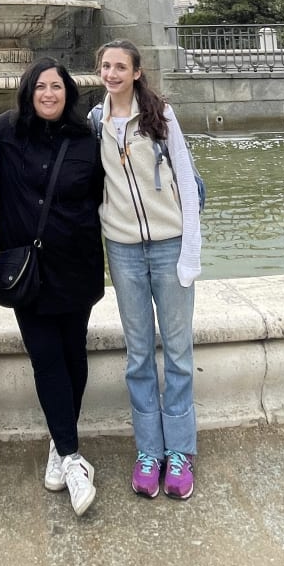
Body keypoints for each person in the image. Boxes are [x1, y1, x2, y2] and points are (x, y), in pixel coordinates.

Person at [0, 58, 105, 516]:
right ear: (28, 92)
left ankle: (60, 444)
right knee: (47, 358)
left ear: (68, 93)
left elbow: (106, 194)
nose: (49, 94)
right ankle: (73, 457)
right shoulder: (5, 132)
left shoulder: (86, 141)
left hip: (76, 265)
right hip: (28, 271)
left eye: (56, 87)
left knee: (74, 356)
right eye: (41, 87)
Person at [94, 40, 202, 500]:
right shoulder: (95, 121)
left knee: (177, 353)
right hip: (122, 250)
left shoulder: (162, 116)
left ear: (137, 72)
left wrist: (190, 254)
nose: (112, 73)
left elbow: (189, 184)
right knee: (138, 354)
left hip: (168, 245)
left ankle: (179, 451)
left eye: (121, 66)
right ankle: (148, 450)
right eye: (106, 66)